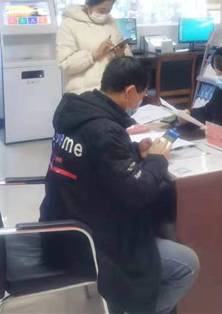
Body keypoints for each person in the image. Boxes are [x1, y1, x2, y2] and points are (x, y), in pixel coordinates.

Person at [39, 57, 199, 314]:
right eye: (143, 94)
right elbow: (139, 193)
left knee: (156, 217)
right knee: (187, 264)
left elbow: (95, 160)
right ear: (130, 92)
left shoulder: (77, 113)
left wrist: (133, 151)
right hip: (86, 242)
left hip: (60, 224)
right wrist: (157, 159)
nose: (141, 100)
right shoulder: (105, 129)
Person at [57, 0, 132, 94]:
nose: (105, 15)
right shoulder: (69, 24)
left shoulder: (111, 22)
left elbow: (128, 56)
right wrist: (94, 55)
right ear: (88, 4)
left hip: (113, 89)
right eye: (101, 10)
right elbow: (65, 64)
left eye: (108, 11)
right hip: (84, 94)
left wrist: (121, 56)